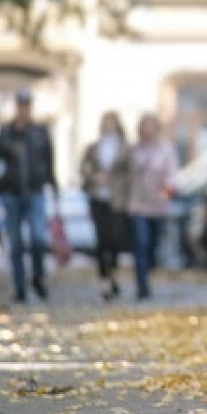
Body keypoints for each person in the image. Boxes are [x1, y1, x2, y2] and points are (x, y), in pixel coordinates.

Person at [0, 89, 58, 303]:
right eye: (21, 106)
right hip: (11, 194)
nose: (24, 110)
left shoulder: (40, 132)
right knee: (16, 245)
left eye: (27, 106)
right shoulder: (6, 133)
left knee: (39, 239)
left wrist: (54, 187)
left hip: (35, 192)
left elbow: (49, 163)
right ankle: (20, 287)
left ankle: (39, 278)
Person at [125, 113, 178, 300]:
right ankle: (142, 285)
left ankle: (148, 270)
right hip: (137, 204)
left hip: (158, 205)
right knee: (141, 243)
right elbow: (124, 174)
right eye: (144, 126)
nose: (147, 130)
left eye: (151, 126)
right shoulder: (133, 150)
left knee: (153, 246)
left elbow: (172, 173)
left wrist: (168, 190)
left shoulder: (165, 149)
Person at [80, 111, 130, 301]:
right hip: (97, 198)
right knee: (101, 241)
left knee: (115, 240)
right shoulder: (94, 147)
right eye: (105, 122)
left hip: (116, 199)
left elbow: (130, 173)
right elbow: (83, 168)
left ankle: (112, 274)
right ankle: (104, 280)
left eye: (111, 122)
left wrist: (116, 181)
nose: (108, 126)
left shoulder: (124, 148)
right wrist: (93, 177)